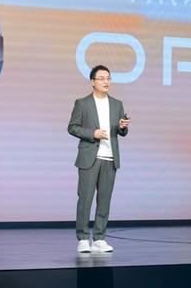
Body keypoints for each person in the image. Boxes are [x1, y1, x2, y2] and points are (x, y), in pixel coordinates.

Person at [68, 65, 130, 253]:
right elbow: (72, 127)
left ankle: (99, 238)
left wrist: (122, 127)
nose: (106, 81)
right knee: (85, 199)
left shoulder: (117, 104)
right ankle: (83, 238)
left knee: (104, 200)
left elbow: (120, 131)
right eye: (101, 78)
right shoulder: (82, 103)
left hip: (110, 158)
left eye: (108, 78)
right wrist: (92, 133)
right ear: (92, 82)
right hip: (90, 157)